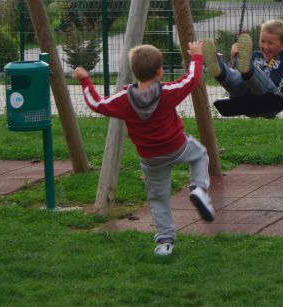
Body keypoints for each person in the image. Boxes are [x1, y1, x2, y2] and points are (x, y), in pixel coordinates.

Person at [74, 40, 214, 258]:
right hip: (176, 147)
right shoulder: (168, 92)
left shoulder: (123, 99)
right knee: (200, 156)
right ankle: (198, 189)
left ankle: (164, 243)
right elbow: (192, 79)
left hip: (150, 158)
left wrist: (84, 80)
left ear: (134, 72)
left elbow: (96, 104)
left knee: (158, 198)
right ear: (160, 71)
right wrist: (196, 56)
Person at [202, 19, 283, 105]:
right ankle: (220, 70)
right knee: (235, 79)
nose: (265, 46)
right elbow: (237, 75)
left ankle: (243, 71)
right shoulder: (254, 55)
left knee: (252, 73)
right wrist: (234, 57)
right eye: (263, 41)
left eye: (271, 43)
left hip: (270, 98)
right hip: (243, 96)